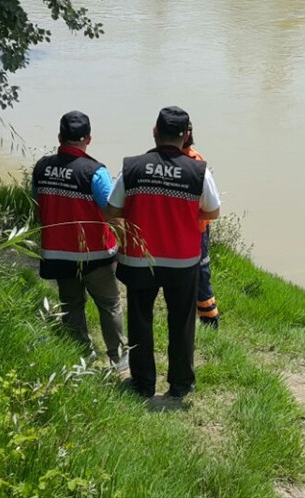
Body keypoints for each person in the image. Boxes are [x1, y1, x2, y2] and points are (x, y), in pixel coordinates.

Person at [109, 106, 221, 400]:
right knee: (182, 323)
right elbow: (213, 211)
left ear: (155, 132)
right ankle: (180, 385)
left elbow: (112, 209)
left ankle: (143, 384)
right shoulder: (198, 171)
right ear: (185, 136)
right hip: (183, 261)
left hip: (139, 258)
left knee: (140, 320)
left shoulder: (132, 167)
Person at [31, 111, 126, 369]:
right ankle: (118, 359)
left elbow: (37, 203)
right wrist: (126, 243)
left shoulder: (41, 168)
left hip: (56, 254)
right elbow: (113, 212)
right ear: (89, 139)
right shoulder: (95, 172)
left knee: (71, 304)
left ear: (59, 136)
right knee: (109, 304)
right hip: (95, 254)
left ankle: (80, 356)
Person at [182, 124, 220, 329]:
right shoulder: (194, 162)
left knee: (200, 274)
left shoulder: (195, 163)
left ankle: (209, 322)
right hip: (194, 228)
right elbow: (212, 208)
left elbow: (212, 209)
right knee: (196, 273)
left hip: (195, 230)